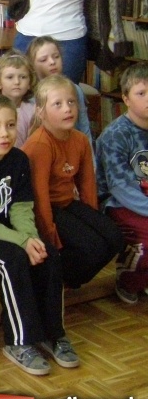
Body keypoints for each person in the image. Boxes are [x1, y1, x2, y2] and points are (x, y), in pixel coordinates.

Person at [0, 94, 73, 376]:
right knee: (12, 263)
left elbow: (22, 208)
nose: (4, 133)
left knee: (48, 254)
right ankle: (19, 341)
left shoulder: (19, 159)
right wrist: (21, 242)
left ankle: (53, 333)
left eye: (10, 125)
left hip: (12, 229)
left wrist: (31, 238)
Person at [22, 75, 123, 288]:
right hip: (45, 209)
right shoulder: (40, 145)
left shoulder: (80, 139)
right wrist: (51, 238)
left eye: (71, 102)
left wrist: (91, 220)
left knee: (114, 238)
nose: (67, 109)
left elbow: (87, 185)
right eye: (57, 104)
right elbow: (39, 198)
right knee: (92, 248)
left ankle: (66, 279)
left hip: (68, 204)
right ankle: (51, 280)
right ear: (41, 112)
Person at [97, 62, 148, 303]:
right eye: (141, 93)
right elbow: (120, 187)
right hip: (120, 203)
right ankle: (128, 280)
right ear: (126, 99)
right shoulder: (115, 135)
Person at [26, 35, 94, 149]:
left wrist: (92, 163)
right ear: (32, 65)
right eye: (44, 60)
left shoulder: (74, 89)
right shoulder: (30, 95)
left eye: (56, 56)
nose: (52, 62)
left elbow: (84, 129)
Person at [0, 51, 37, 147]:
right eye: (10, 77)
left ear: (29, 82)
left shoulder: (32, 111)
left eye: (23, 77)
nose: (17, 82)